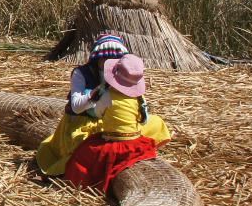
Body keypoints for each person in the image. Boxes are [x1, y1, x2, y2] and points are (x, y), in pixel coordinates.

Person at [36, 40, 172, 193]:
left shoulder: (123, 78)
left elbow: (140, 117)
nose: (110, 62)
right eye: (105, 59)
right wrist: (94, 95)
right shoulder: (82, 73)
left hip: (111, 127)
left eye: (115, 59)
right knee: (82, 144)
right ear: (97, 59)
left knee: (157, 123)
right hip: (83, 122)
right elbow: (77, 107)